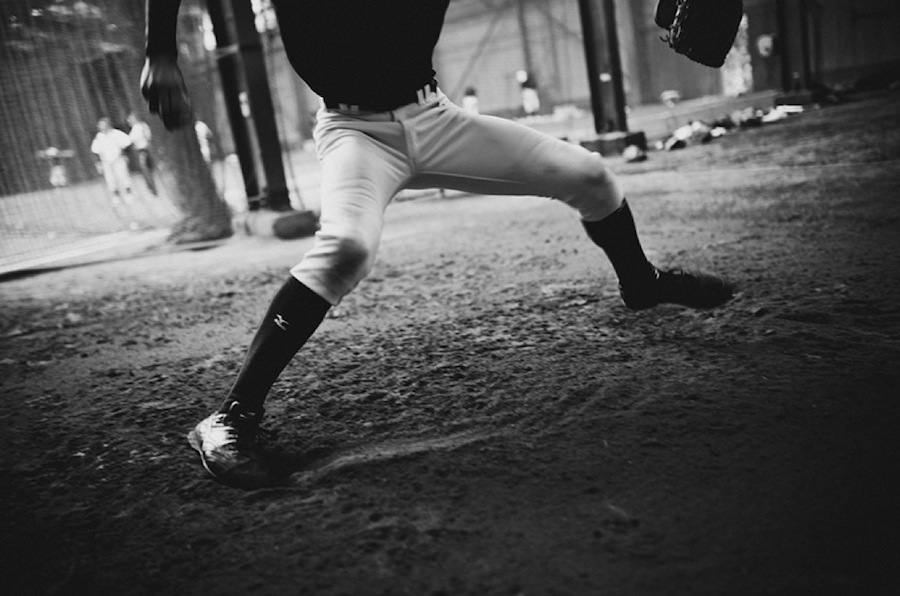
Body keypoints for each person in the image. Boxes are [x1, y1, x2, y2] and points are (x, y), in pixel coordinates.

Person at [142, 0, 735, 488]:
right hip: (356, 133)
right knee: (347, 245)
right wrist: (161, 51)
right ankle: (230, 416)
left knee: (589, 176)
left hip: (436, 118)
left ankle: (641, 283)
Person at [90, 117, 133, 203]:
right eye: (100, 125)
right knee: (110, 180)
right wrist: (98, 163)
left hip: (118, 159)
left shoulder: (116, 133)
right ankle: (116, 196)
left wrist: (124, 154)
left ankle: (128, 195)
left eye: (103, 125)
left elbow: (127, 142)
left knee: (123, 177)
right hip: (106, 162)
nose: (102, 127)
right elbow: (95, 150)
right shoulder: (99, 137)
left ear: (108, 125)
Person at [127, 111, 158, 195]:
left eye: (130, 118)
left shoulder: (139, 127)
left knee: (145, 169)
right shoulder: (137, 127)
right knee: (145, 170)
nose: (128, 120)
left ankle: (152, 189)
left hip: (143, 150)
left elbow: (132, 139)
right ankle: (151, 188)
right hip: (141, 150)